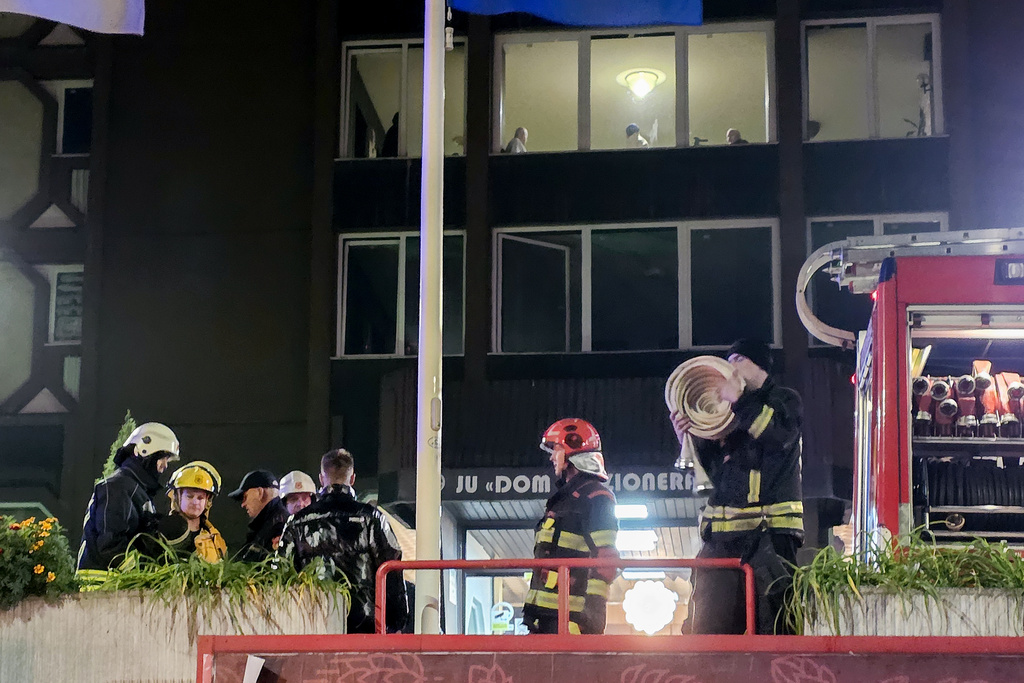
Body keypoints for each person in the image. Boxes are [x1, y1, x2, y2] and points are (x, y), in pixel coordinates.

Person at [670, 339, 803, 635]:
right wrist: (689, 439)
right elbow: (713, 475)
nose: (730, 367)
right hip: (721, 542)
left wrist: (740, 400)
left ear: (759, 366)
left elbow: (777, 437)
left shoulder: (784, 400)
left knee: (774, 631)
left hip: (769, 540)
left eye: (738, 359)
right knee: (706, 632)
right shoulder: (728, 412)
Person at [278, 448, 408, 634]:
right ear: (352, 478)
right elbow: (391, 565)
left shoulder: (298, 521)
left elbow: (281, 572)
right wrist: (396, 620)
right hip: (367, 625)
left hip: (315, 623)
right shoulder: (372, 517)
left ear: (322, 479)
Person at [523, 418, 619, 635]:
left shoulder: (596, 497)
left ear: (571, 451)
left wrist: (589, 618)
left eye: (555, 449)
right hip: (545, 618)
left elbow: (606, 560)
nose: (551, 457)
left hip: (571, 621)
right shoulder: (564, 500)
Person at [77, 422, 181, 586]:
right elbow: (110, 544)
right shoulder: (118, 487)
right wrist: (144, 574)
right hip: (102, 588)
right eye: (163, 458)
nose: (164, 466)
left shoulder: (135, 489)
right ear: (145, 452)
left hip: (116, 588)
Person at [158, 460, 228, 563]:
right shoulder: (162, 534)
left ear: (207, 501)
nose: (195, 502)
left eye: (200, 498)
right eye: (189, 496)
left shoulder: (216, 540)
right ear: (177, 497)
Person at [228, 469, 288, 562]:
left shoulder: (278, 526)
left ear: (260, 492)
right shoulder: (272, 522)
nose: (243, 504)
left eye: (245, 497)